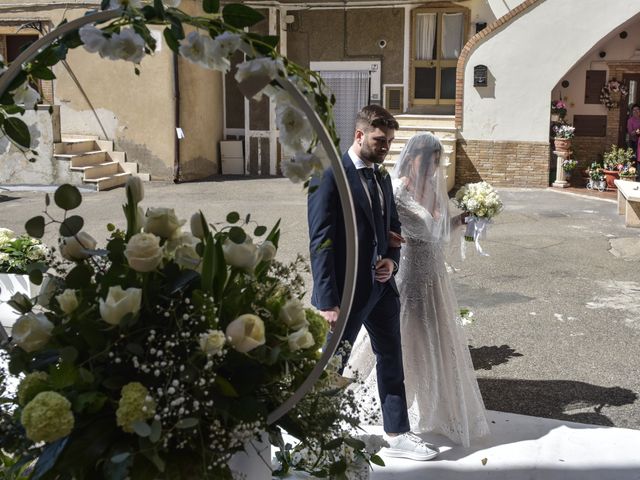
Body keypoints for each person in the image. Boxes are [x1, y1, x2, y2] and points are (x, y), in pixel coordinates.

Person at [307, 105, 439, 461]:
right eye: (380, 140)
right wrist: (326, 300)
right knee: (332, 363)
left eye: (390, 142)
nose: (386, 147)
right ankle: (315, 432)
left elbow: (391, 230)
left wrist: (390, 263)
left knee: (391, 358)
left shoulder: (381, 177)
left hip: (381, 288)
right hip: (345, 293)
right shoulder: (330, 175)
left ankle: (397, 433)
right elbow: (320, 239)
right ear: (360, 134)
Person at [347, 133, 491, 447]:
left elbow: (439, 232)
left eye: (437, 164)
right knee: (403, 334)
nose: (434, 170)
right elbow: (388, 225)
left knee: (434, 337)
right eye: (431, 163)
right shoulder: (397, 189)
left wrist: (463, 219)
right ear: (415, 159)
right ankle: (391, 400)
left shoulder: (435, 191)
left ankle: (436, 403)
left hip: (434, 273)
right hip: (409, 273)